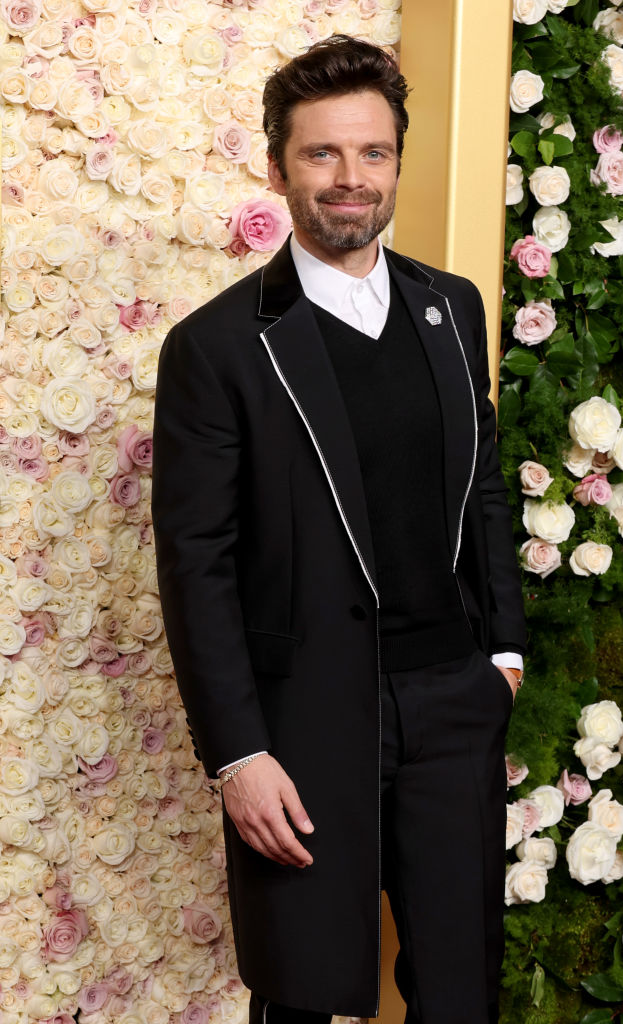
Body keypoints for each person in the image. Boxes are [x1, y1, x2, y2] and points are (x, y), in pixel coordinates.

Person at [151, 34, 526, 1024]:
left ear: (396, 160)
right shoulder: (217, 348)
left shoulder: (452, 306)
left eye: (371, 152)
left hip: (453, 703)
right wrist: (237, 753)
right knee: (306, 995)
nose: (350, 178)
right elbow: (197, 565)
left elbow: (482, 484)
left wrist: (502, 649)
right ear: (276, 166)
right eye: (322, 153)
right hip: (304, 720)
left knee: (460, 991)